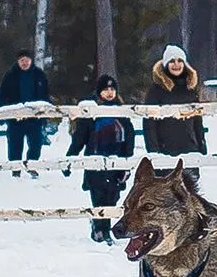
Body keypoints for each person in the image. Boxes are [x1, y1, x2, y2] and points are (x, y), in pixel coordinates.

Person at [66, 75, 136, 244]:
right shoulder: (92, 113)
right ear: (99, 92)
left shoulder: (122, 113)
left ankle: (106, 228)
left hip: (116, 164)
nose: (110, 93)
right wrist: (69, 160)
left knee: (112, 198)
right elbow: (79, 139)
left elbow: (129, 138)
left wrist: (127, 163)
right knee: (98, 197)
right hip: (95, 164)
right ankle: (99, 229)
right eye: (106, 89)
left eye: (112, 89)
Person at [144, 45, 208, 181]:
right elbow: (150, 124)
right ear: (166, 64)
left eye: (180, 61)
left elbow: (197, 120)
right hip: (165, 150)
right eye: (172, 61)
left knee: (189, 193)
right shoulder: (156, 90)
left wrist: (201, 144)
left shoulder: (190, 89)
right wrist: (154, 151)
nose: (176, 65)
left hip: (190, 147)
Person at [0, 50, 51, 178]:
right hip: (16, 118)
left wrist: (45, 113)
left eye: (27, 60)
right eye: (22, 60)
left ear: (31, 61)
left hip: (34, 117)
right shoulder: (10, 76)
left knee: (36, 143)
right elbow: (2, 95)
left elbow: (46, 95)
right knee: (15, 144)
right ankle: (15, 168)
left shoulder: (39, 75)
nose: (25, 63)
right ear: (18, 62)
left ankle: (31, 165)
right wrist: (3, 113)